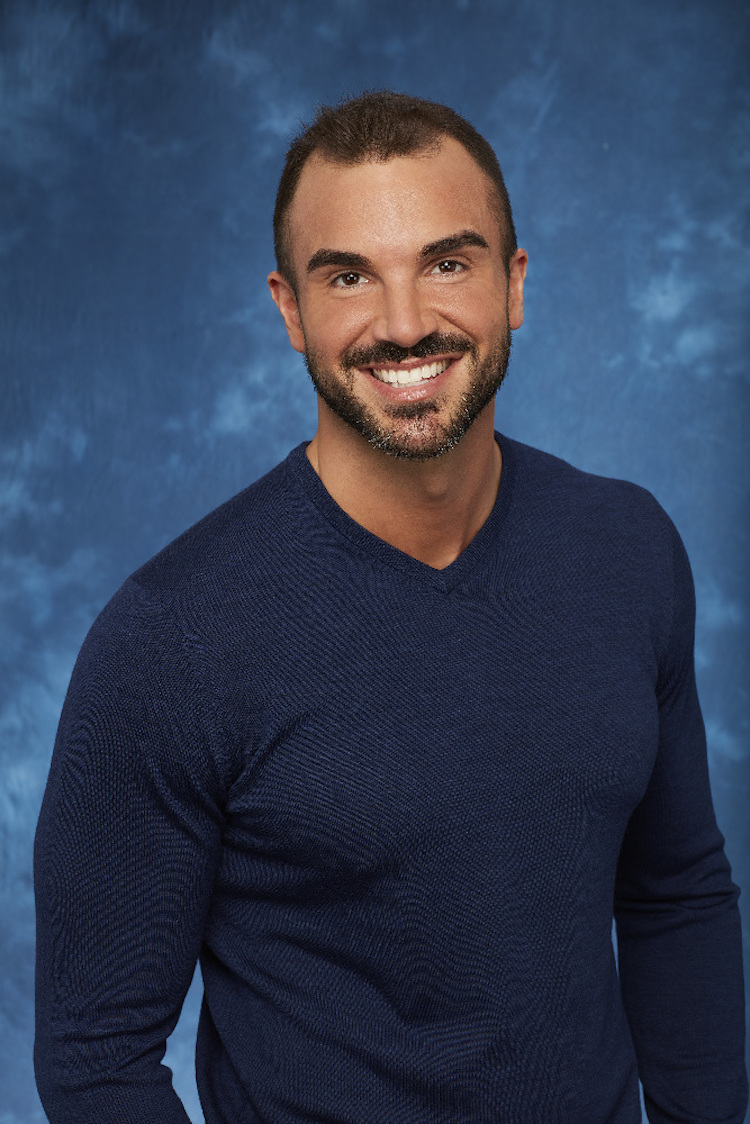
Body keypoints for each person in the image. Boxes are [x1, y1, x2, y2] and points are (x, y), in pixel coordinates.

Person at [34, 91, 747, 1124]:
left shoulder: (627, 548)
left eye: (447, 263)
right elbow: (95, 1057)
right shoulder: (171, 638)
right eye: (349, 276)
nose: (405, 323)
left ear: (514, 284)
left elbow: (675, 893)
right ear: (290, 310)